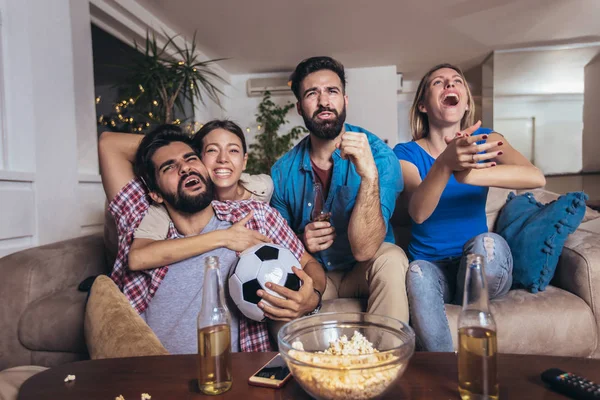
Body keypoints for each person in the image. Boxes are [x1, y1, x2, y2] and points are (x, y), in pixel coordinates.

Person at [98, 124, 326, 354]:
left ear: (205, 169)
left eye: (191, 158)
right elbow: (108, 144)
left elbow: (309, 264)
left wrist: (312, 298)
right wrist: (222, 238)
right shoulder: (143, 221)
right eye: (170, 167)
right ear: (155, 193)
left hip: (235, 376)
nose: (185, 168)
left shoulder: (255, 216)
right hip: (156, 377)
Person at [393, 63, 546, 351]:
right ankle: (448, 375)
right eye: (438, 82)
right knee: (417, 274)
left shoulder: (487, 140)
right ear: (423, 105)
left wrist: (472, 174)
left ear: (465, 103)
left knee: (489, 243)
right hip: (432, 268)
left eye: (456, 81)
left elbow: (535, 176)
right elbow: (418, 212)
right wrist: (446, 164)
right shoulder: (406, 153)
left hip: (479, 264)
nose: (449, 85)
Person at [270, 56, 409, 324]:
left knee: (391, 258)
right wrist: (301, 240)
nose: (324, 101)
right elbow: (276, 247)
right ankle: (300, 365)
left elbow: (366, 250)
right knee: (280, 286)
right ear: (299, 107)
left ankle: (383, 362)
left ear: (345, 100)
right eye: (313, 93)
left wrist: (369, 175)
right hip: (318, 273)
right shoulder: (281, 172)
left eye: (332, 91)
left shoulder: (379, 156)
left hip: (365, 269)